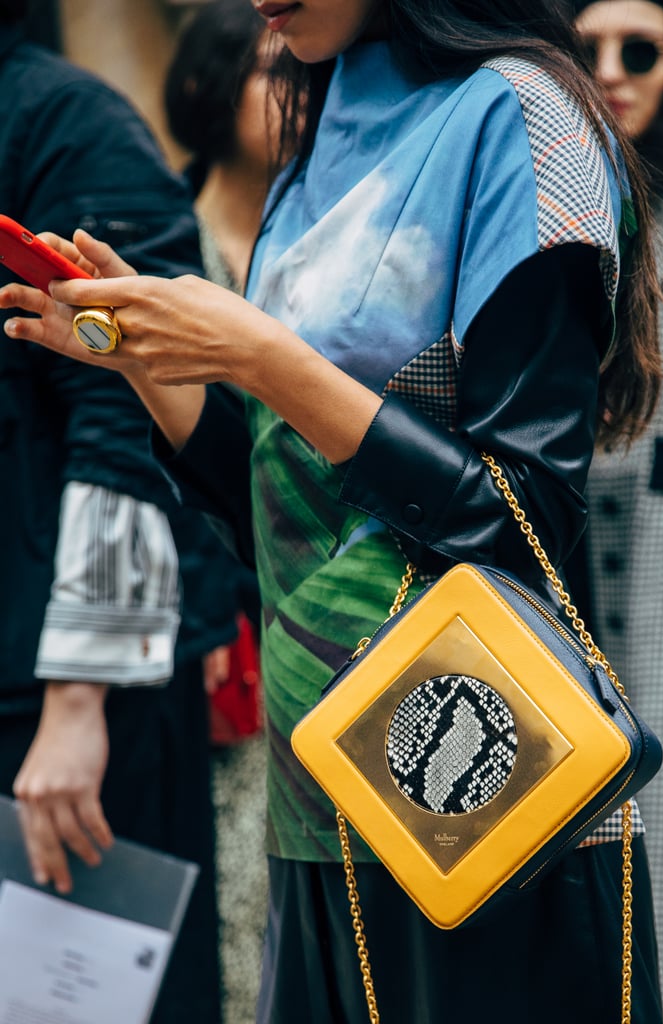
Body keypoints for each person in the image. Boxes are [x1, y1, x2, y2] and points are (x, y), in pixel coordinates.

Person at [0, 0, 663, 1020]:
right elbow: (285, 509)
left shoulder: (520, 118)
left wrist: (259, 355)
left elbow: (525, 516)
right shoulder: (319, 128)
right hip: (319, 786)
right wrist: (146, 361)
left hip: (483, 783)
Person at [0, 4, 232, 1021]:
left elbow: (126, 403)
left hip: (70, 696)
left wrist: (78, 698)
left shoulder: (61, 119)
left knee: (88, 1002)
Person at [569, 2, 663, 1020]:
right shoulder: (536, 214)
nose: (610, 72)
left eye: (637, 51)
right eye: (586, 48)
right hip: (545, 562)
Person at [164, 3, 275, 1019]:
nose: (288, 90)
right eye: (261, 69)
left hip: (326, 596)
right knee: (241, 861)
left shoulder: (319, 229)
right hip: (223, 612)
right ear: (208, 87)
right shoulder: (172, 238)